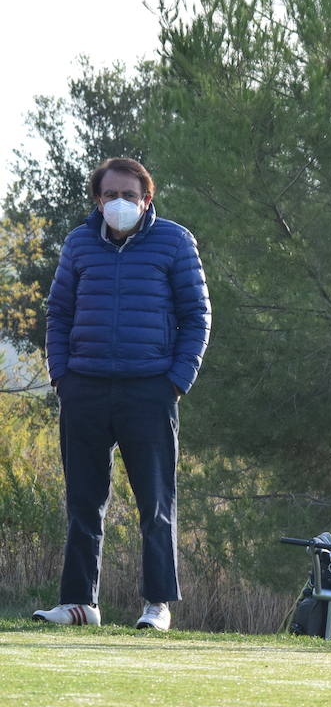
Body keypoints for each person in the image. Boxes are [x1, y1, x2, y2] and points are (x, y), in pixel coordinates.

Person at [35, 157, 211, 631]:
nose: (119, 203)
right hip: (84, 389)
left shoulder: (175, 241)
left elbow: (197, 316)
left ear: (146, 199)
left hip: (150, 391)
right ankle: (79, 604)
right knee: (83, 504)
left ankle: (157, 605)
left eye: (129, 195)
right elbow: (58, 314)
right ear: (97, 199)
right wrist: (61, 377)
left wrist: (176, 381)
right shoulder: (77, 244)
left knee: (155, 505)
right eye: (110, 195)